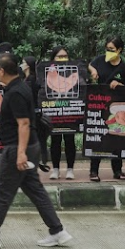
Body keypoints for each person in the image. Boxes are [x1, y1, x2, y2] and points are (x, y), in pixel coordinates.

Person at [0, 53, 73, 249]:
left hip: (17, 148)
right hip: (28, 145)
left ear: (2, 70)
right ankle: (58, 231)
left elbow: (24, 123)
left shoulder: (15, 92)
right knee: (35, 190)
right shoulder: (18, 87)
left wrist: (21, 153)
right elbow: (19, 119)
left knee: (3, 192)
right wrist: (1, 126)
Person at [87, 37, 125, 181]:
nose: (108, 52)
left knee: (117, 136)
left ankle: (117, 170)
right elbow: (89, 65)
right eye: (107, 49)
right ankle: (94, 170)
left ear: (119, 50)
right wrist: (93, 70)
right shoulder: (100, 60)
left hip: (118, 107)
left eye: (112, 49)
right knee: (98, 136)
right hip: (100, 104)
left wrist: (119, 85)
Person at [45, 46, 78, 181]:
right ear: (53, 59)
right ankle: (56, 169)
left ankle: (70, 169)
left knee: (69, 139)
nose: (63, 59)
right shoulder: (46, 73)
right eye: (59, 56)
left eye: (65, 56)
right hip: (55, 111)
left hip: (70, 111)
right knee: (55, 140)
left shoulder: (74, 70)